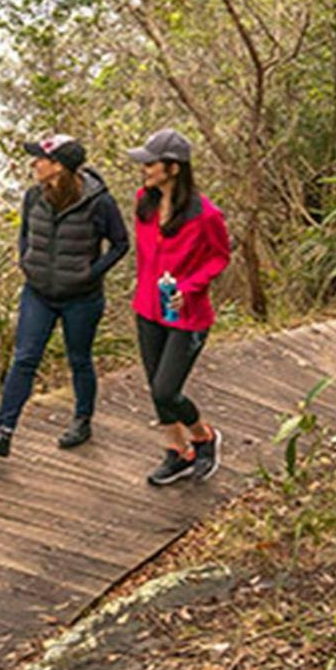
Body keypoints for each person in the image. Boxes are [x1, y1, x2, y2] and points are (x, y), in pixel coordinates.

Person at [0, 134, 130, 457]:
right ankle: (3, 433)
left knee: (79, 359)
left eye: (40, 159)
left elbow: (120, 244)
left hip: (82, 298)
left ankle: (82, 420)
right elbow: (25, 235)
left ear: (58, 166)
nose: (34, 164)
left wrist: (90, 273)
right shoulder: (34, 196)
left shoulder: (99, 202)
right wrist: (27, 262)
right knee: (24, 358)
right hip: (39, 293)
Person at [126, 128, 232, 486]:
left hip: (188, 316)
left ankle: (203, 437)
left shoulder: (205, 215)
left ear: (173, 168)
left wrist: (188, 288)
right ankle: (177, 453)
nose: (144, 169)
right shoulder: (144, 201)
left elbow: (220, 257)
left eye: (150, 163)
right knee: (155, 386)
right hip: (147, 309)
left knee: (166, 390)